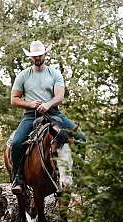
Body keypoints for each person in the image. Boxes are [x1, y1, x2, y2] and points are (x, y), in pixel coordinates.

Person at [9, 40, 85, 195]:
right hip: (31, 115)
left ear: (45, 54)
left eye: (40, 55)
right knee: (16, 143)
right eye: (34, 56)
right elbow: (14, 99)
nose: (38, 58)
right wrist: (30, 104)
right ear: (30, 57)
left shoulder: (54, 73)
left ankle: (77, 173)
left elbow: (59, 96)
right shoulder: (23, 75)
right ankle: (19, 178)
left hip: (53, 113)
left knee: (81, 137)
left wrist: (48, 104)